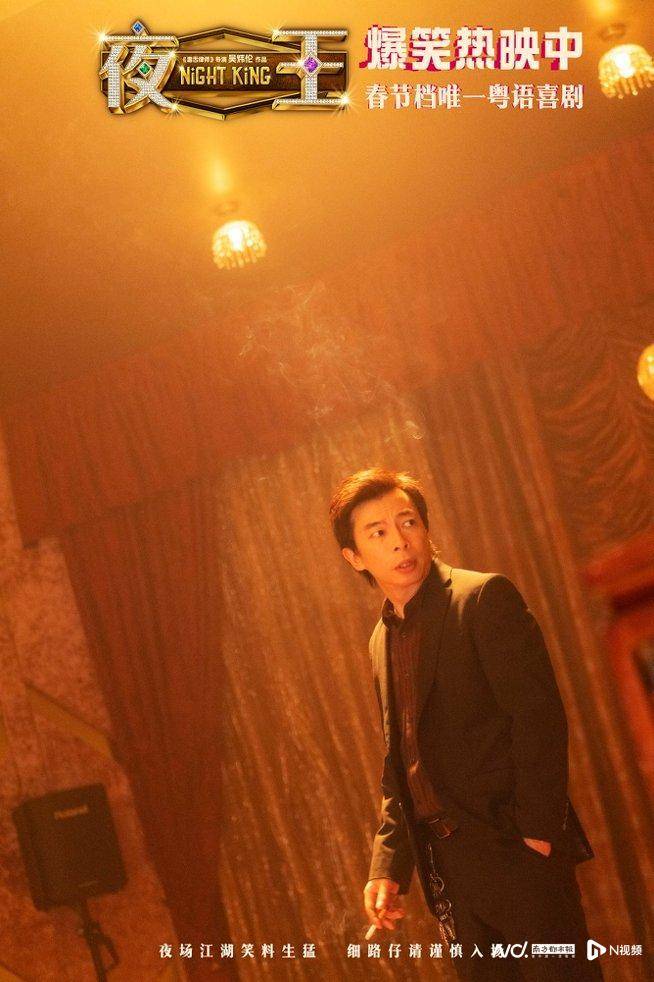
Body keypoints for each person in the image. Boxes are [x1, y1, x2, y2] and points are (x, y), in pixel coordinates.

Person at [329, 468, 603, 980]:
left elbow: (539, 721)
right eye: (378, 532)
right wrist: (388, 868)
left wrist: (536, 837)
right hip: (450, 872)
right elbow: (403, 762)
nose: (399, 541)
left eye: (407, 521)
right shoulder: (380, 641)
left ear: (425, 527)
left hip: (516, 850)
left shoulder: (482, 598)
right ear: (354, 557)